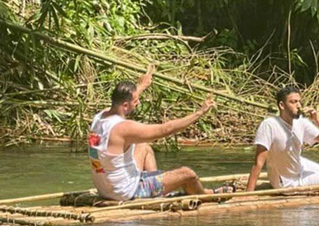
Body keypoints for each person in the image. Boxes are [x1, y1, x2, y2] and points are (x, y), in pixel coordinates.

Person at [88, 65, 228, 200]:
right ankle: (206, 195)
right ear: (125, 105)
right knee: (188, 174)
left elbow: (125, 102)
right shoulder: (123, 128)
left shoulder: (100, 117)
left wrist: (142, 85)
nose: (138, 103)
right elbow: (166, 129)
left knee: (144, 147)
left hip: (105, 188)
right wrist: (200, 112)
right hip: (124, 192)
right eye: (136, 101)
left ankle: (157, 191)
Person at [245, 86, 319, 191]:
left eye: (299, 102)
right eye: (293, 102)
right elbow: (258, 162)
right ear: (282, 105)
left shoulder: (300, 121)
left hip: (298, 166)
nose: (298, 105)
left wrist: (317, 120)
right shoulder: (269, 125)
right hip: (287, 182)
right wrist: (248, 193)